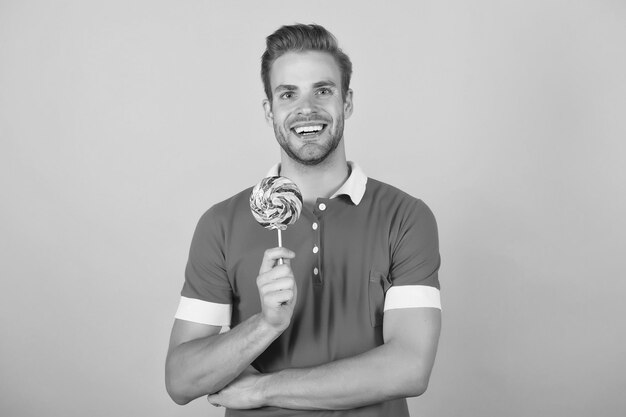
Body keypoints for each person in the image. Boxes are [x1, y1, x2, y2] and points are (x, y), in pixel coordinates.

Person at [165, 23, 442, 416]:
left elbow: (410, 368)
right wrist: (266, 324)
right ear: (269, 110)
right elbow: (180, 379)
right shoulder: (220, 225)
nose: (306, 109)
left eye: (323, 91)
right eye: (288, 94)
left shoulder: (406, 217)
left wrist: (262, 389)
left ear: (346, 102)